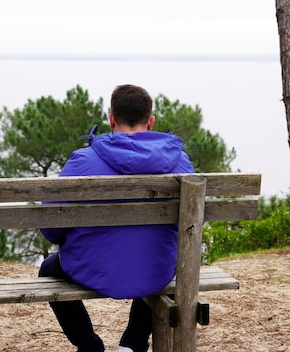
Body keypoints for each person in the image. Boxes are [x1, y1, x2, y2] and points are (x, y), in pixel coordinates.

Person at [39, 84, 195, 352]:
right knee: (150, 262)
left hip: (90, 269)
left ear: (111, 119)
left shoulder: (82, 161)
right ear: (151, 121)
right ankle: (133, 344)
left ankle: (89, 346)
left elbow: (51, 228)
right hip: (156, 272)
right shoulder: (181, 163)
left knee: (48, 269)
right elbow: (188, 227)